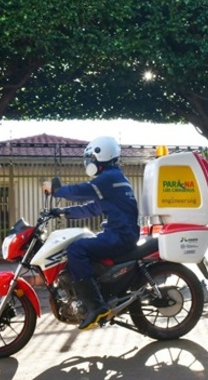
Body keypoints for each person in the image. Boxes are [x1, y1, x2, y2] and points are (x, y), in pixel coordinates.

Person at [43, 136, 140, 330]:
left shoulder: (109, 178)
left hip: (120, 235)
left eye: (90, 158)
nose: (88, 162)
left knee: (76, 250)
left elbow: (82, 191)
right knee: (82, 243)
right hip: (121, 233)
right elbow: (92, 209)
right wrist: (63, 212)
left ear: (100, 155)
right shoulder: (113, 179)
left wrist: (57, 190)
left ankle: (96, 306)